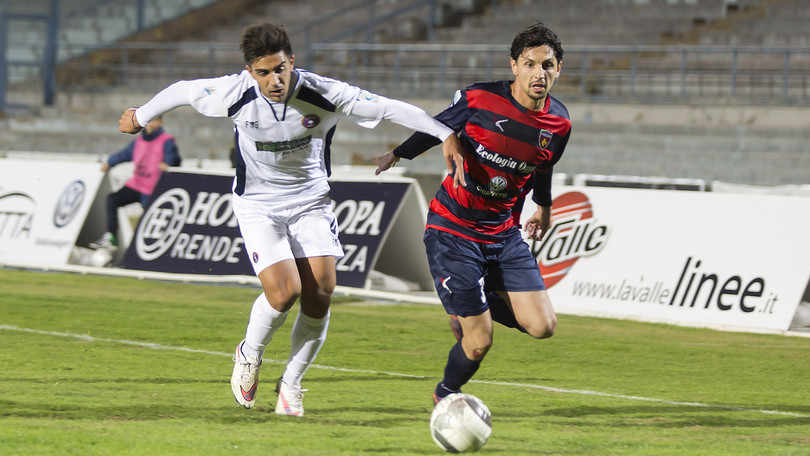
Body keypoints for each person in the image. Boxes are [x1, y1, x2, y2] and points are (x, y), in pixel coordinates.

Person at [117, 23, 462, 416]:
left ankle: (291, 384)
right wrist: (141, 115)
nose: (274, 79)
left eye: (280, 69)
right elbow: (181, 90)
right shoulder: (232, 92)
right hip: (258, 205)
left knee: (321, 293)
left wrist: (443, 133)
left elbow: (388, 107)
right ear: (250, 71)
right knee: (284, 293)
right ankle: (249, 353)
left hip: (310, 202)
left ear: (292, 62)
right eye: (263, 72)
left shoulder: (324, 93)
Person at [375, 22, 571, 403]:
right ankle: (446, 395)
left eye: (547, 65)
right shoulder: (481, 100)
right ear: (514, 66)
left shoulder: (559, 123)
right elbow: (436, 126)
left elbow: (543, 167)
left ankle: (470, 300)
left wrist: (543, 207)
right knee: (478, 341)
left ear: (558, 69)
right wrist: (398, 153)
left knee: (544, 326)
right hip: (454, 228)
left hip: (502, 233)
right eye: (530, 64)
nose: (539, 73)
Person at [91, 115, 180, 250]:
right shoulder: (139, 141)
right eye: (149, 121)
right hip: (136, 185)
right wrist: (109, 163)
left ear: (160, 122)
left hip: (153, 189)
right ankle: (111, 237)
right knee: (112, 199)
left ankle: (152, 249)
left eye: (154, 120)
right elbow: (124, 154)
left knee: (149, 221)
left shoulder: (166, 141)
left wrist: (169, 166)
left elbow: (174, 160)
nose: (150, 124)